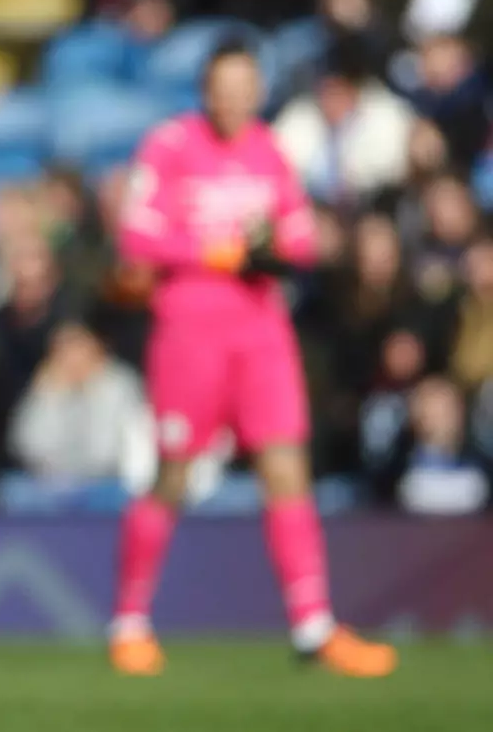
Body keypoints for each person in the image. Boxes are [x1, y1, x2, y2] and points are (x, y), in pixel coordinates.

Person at [111, 40, 397, 678]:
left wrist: (274, 252)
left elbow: (297, 234)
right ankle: (129, 623)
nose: (236, 97)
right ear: (206, 89)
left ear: (259, 91)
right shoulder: (170, 146)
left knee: (287, 468)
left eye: (247, 85)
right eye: (225, 84)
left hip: (262, 334)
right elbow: (138, 234)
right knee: (175, 473)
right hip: (190, 332)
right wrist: (222, 252)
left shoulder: (269, 150)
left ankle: (313, 625)